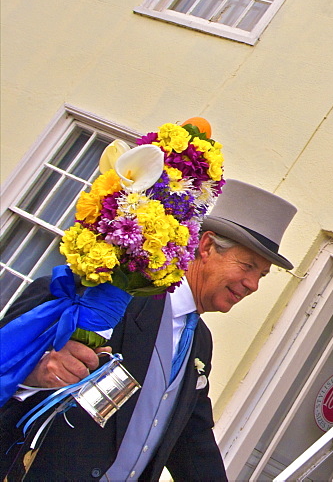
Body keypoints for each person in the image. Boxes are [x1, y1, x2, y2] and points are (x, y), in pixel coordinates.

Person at [0, 179, 297, 482]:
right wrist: (34, 374)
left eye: (261, 275)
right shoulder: (109, 296)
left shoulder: (200, 342)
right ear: (206, 246)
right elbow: (10, 356)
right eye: (248, 266)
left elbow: (192, 441)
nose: (253, 285)